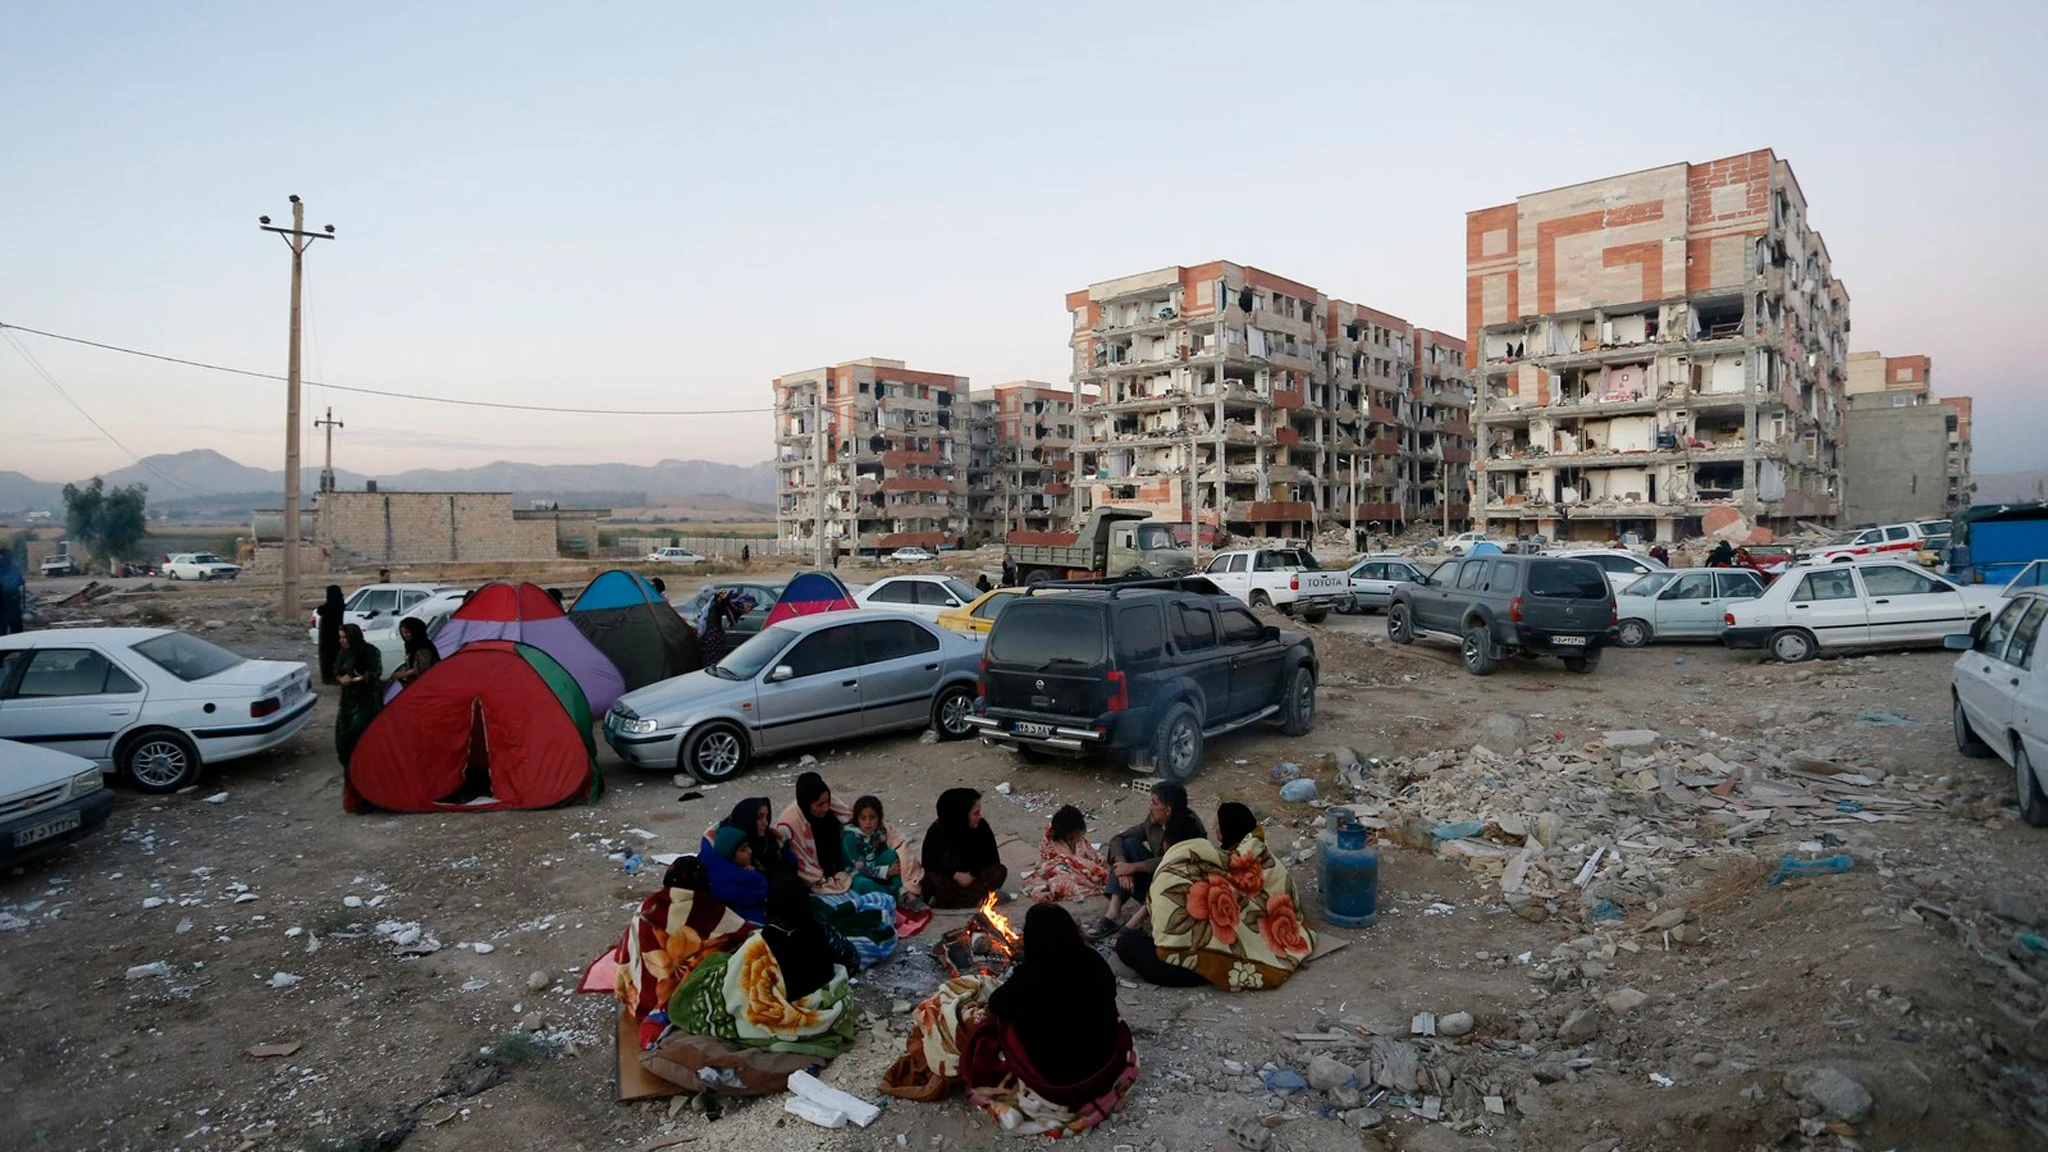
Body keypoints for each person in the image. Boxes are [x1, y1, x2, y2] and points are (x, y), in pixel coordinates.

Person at [642, 872, 859, 1097]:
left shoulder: (760, 946)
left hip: (785, 1010)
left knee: (700, 988)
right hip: (815, 1004)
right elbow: (850, 961)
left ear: (771, 905)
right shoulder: (819, 931)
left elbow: (732, 992)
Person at [1136, 801, 1315, 991]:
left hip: (1198, 959)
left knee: (1128, 945)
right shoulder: (1259, 856)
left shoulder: (1223, 865)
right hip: (1251, 942)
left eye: (1217, 824)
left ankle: (1214, 965)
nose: (1214, 828)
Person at [777, 773, 905, 967]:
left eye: (827, 802)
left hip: (846, 865)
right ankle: (893, 901)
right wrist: (884, 872)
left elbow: (851, 816)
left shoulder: (838, 814)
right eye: (819, 805)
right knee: (864, 887)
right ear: (806, 802)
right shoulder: (792, 822)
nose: (826, 808)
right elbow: (809, 865)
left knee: (893, 856)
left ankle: (899, 896)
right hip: (829, 875)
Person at [1110, 813, 1212, 987]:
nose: (1151, 807)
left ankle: (1114, 916)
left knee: (1127, 944)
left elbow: (1141, 923)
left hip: (1180, 970)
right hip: (1217, 966)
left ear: (1166, 846)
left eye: (1155, 802)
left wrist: (1122, 938)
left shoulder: (1166, 876)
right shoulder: (1218, 864)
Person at [1096, 781, 1203, 938]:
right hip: (1155, 878)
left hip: (1175, 889)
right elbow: (1118, 839)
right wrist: (1123, 866)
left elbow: (1173, 862)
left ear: (1168, 810)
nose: (1150, 807)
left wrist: (1133, 867)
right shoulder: (1154, 821)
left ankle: (1139, 921)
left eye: (1154, 803)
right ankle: (1113, 914)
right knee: (1128, 844)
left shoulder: (1188, 827)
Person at [921, 787, 1009, 908]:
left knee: (999, 871)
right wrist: (954, 875)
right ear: (960, 816)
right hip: (950, 882)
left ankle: (960, 901)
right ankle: (973, 900)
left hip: (974, 880)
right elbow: (930, 866)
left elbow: (993, 860)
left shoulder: (981, 827)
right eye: (975, 813)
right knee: (930, 880)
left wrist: (972, 873)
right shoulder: (937, 832)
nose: (979, 816)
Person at [699, 797, 782, 922]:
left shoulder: (769, 841)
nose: (765, 822)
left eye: (767, 817)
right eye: (759, 818)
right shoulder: (724, 846)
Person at [1024, 804, 1108, 905]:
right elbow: (1064, 859)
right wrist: (1087, 867)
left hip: (1076, 865)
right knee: (1064, 879)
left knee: (1100, 868)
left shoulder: (1077, 838)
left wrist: (1097, 858)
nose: (1076, 834)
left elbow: (1087, 850)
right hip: (1059, 867)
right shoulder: (1050, 841)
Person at [843, 794, 910, 904]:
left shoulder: (878, 832)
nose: (868, 822)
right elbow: (861, 868)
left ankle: (902, 891)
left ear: (879, 818)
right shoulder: (850, 838)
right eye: (863, 818)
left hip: (876, 869)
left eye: (872, 817)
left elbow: (883, 853)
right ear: (857, 819)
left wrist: (888, 869)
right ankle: (894, 896)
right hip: (856, 875)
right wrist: (887, 871)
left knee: (891, 854)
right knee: (862, 884)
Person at [332, 623, 383, 767]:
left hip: (366, 697)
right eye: (340, 637)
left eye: (345, 637)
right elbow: (336, 668)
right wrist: (340, 678)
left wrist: (354, 679)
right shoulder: (343, 653)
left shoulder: (369, 651)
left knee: (360, 728)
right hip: (348, 698)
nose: (342, 640)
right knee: (343, 733)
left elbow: (375, 672)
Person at [389, 617, 440, 689]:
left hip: (426, 685)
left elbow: (424, 669)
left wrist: (404, 674)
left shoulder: (423, 647)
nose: (404, 635)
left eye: (407, 632)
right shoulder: (410, 645)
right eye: (402, 632)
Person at [315, 584, 345, 684]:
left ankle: (329, 677)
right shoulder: (340, 605)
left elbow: (320, 610)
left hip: (328, 639)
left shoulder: (329, 607)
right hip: (336, 637)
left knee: (328, 659)